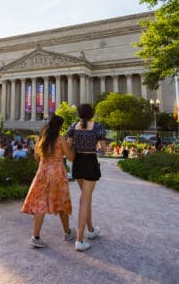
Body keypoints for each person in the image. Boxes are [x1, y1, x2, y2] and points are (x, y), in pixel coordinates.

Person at [21, 115, 76, 248]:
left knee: (40, 204)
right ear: (60, 127)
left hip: (42, 172)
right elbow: (71, 157)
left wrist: (45, 164)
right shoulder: (61, 139)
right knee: (62, 202)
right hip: (57, 174)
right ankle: (67, 232)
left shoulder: (42, 138)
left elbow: (36, 156)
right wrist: (71, 145)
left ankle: (36, 236)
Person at [66, 104, 106, 251]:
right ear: (91, 113)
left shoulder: (73, 126)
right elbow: (104, 148)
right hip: (90, 162)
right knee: (85, 199)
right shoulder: (97, 127)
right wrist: (95, 147)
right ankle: (79, 240)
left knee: (85, 197)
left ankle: (90, 229)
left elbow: (69, 145)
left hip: (78, 163)